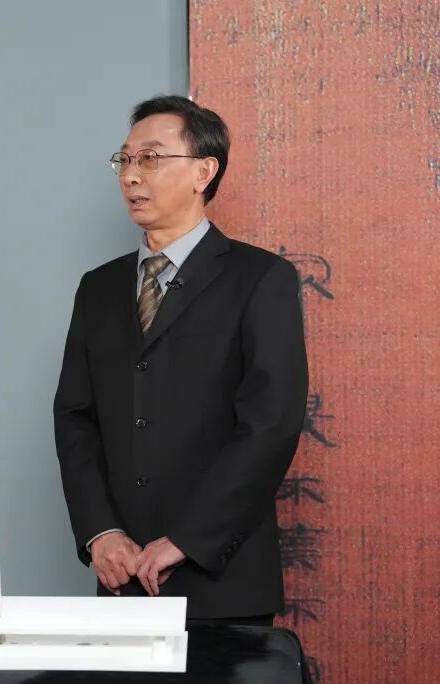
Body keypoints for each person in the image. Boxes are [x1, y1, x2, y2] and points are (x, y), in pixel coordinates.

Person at [54, 95, 308, 624]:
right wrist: (101, 532)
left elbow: (271, 424)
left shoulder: (260, 279)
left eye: (150, 158)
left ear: (203, 172)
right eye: (125, 159)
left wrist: (189, 539)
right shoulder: (98, 288)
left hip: (222, 577)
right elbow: (75, 418)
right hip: (122, 575)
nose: (131, 175)